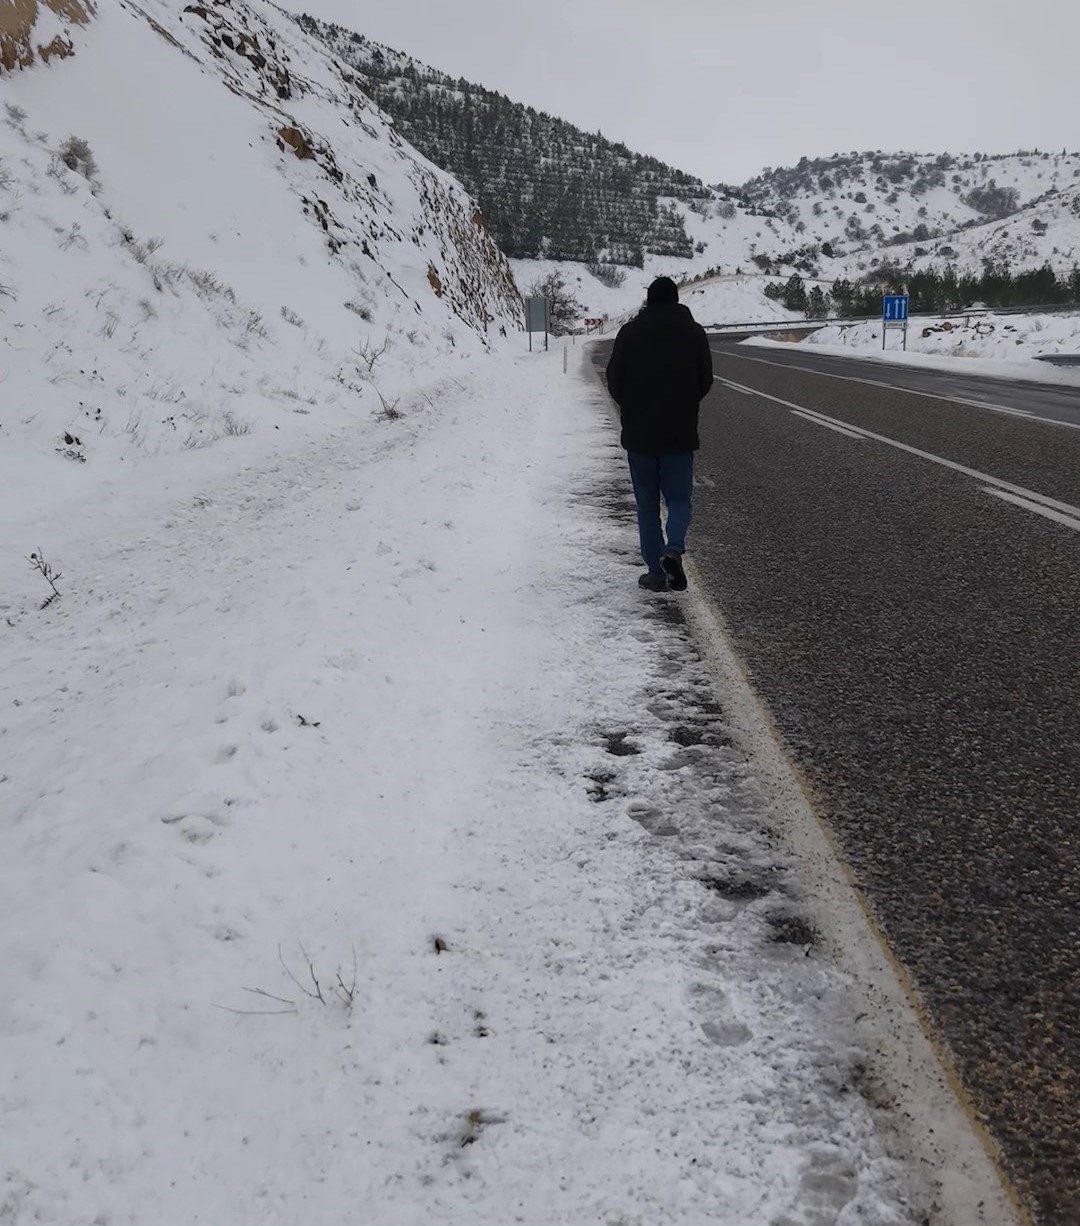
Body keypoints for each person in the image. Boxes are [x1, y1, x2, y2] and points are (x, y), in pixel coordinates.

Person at [604, 276, 714, 592]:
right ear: (677, 300)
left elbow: (615, 380)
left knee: (646, 504)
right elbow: (705, 380)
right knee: (679, 499)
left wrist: (634, 406)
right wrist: (684, 404)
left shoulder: (629, 333)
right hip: (679, 434)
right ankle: (674, 548)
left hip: (639, 435)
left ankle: (655, 572)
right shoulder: (694, 333)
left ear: (649, 301)